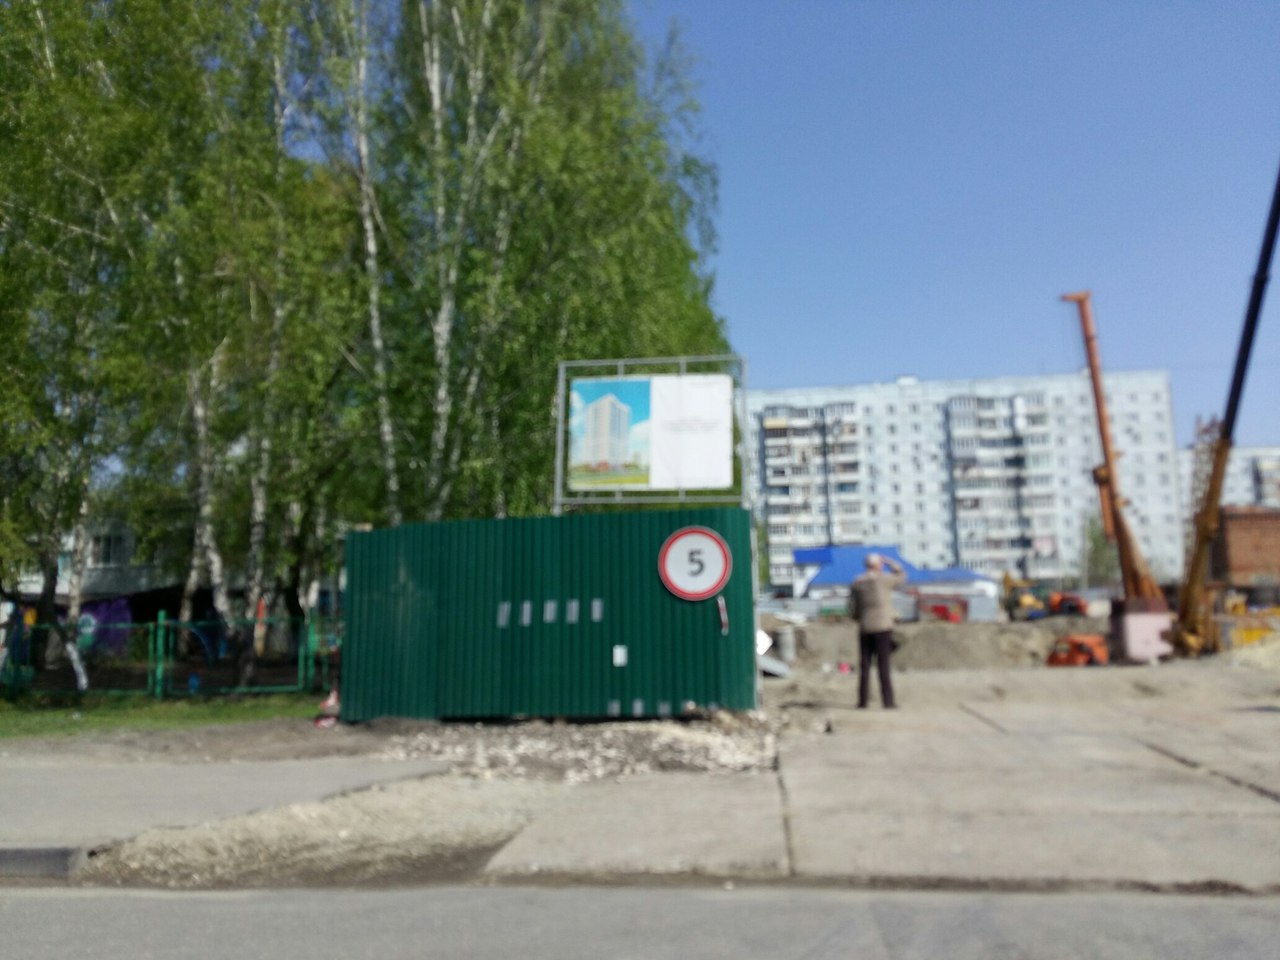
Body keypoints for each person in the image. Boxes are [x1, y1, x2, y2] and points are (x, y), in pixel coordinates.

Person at [848, 552, 906, 708]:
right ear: (878, 565)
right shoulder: (884, 579)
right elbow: (901, 576)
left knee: (865, 665)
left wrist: (859, 618)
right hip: (883, 627)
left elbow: (852, 607)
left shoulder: (858, 582)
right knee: (883, 665)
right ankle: (888, 701)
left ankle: (862, 701)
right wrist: (889, 561)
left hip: (865, 627)